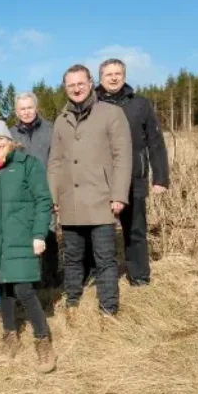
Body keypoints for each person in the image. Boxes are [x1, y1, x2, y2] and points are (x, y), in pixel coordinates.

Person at [47, 64, 132, 321]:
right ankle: (72, 301)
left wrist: (118, 195)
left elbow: (122, 157)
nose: (76, 88)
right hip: (70, 201)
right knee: (72, 257)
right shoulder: (61, 121)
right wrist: (54, 197)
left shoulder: (111, 113)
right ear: (65, 88)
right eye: (71, 85)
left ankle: (108, 309)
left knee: (105, 258)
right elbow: (56, 162)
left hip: (101, 199)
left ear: (90, 82)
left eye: (80, 83)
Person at [0, 119, 56, 372]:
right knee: (3, 290)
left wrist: (39, 235)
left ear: (9, 140)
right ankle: (9, 336)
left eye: (0, 138)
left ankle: (43, 341)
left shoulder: (27, 164)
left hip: (21, 238)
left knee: (24, 290)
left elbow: (43, 201)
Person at [96, 58, 170, 286]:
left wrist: (160, 177)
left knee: (135, 229)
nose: (114, 77)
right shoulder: (92, 104)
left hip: (134, 177)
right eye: (109, 74)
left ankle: (138, 276)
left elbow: (155, 142)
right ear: (100, 78)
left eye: (118, 73)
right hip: (100, 179)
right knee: (96, 230)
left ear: (124, 76)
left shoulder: (140, 104)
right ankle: (95, 274)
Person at [10, 92, 60, 289]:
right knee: (26, 237)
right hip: (22, 195)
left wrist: (55, 194)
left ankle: (50, 279)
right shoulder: (10, 134)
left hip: (46, 192)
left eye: (29, 107)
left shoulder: (50, 130)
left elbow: (58, 162)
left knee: (48, 234)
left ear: (36, 108)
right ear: (16, 111)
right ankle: (31, 280)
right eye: (22, 109)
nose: (26, 112)